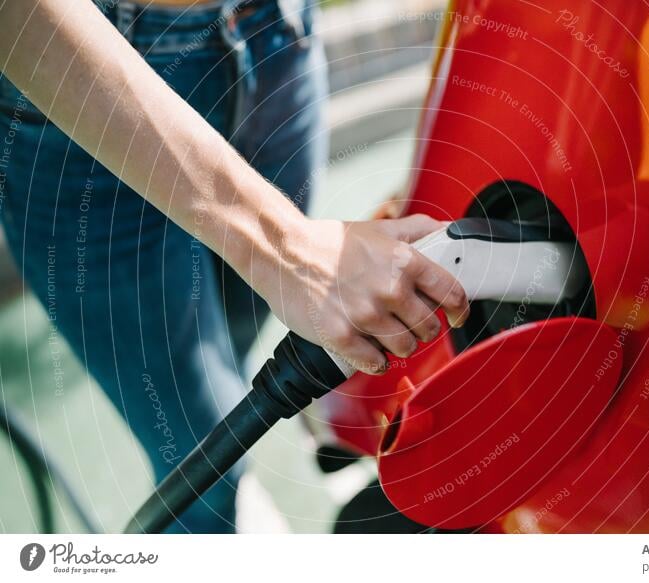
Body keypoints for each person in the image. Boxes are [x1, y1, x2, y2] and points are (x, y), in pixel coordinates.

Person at [0, 0, 468, 533]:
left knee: (228, 373)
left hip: (277, 38)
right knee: (207, 465)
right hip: (88, 93)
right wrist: (284, 249)